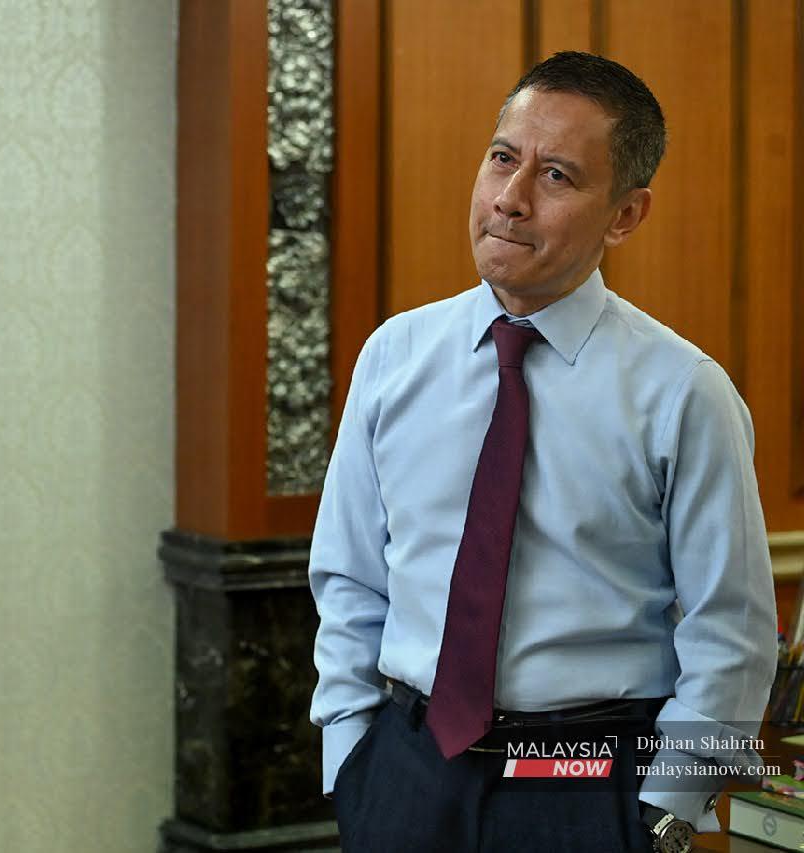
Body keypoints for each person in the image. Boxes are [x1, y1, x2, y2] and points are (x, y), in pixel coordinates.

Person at [308, 51, 776, 852]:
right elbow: (349, 578)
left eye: (556, 177)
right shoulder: (394, 356)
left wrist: (668, 817)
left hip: (586, 785)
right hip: (406, 776)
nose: (510, 200)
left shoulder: (685, 392)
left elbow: (733, 633)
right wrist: (350, 761)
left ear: (625, 215)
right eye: (502, 159)